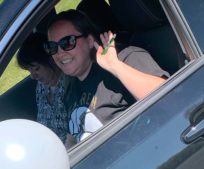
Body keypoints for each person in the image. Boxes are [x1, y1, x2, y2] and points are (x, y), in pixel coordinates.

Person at [44, 9, 170, 143]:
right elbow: (72, 140)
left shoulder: (124, 59)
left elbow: (170, 98)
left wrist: (115, 66)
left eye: (67, 42)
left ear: (90, 41)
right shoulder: (70, 88)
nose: (59, 53)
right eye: (52, 47)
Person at [16, 32, 69, 144]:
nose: (33, 76)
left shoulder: (71, 83)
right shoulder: (41, 87)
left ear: (51, 59)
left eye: (36, 68)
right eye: (29, 70)